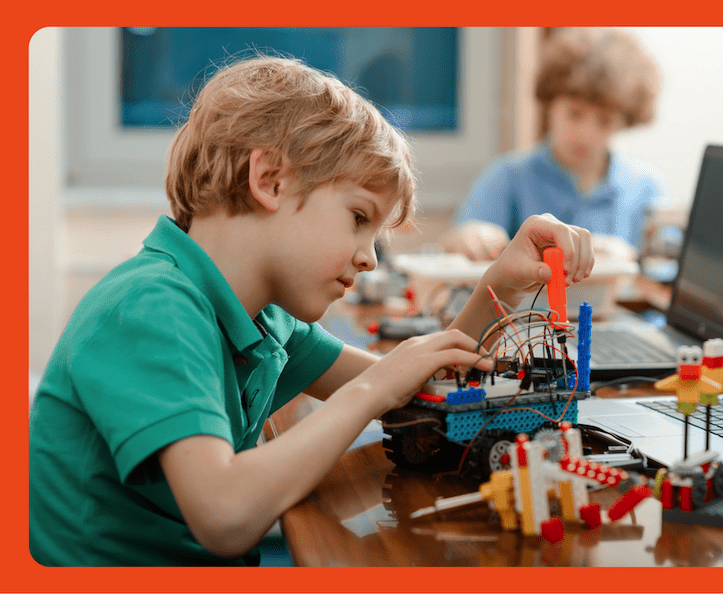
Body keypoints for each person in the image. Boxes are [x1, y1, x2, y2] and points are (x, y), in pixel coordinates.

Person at [28, 55, 593, 566]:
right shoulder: (151, 309)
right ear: (269, 180)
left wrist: (502, 286)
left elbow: (425, 389)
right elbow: (226, 517)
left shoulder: (261, 318)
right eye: (358, 218)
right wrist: (372, 390)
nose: (370, 258)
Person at [444, 28, 670, 262]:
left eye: (605, 121)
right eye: (574, 114)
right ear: (550, 103)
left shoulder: (646, 187)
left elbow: (666, 267)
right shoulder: (508, 177)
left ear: (626, 120)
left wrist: (631, 259)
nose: (585, 134)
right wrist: (468, 237)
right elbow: (458, 243)